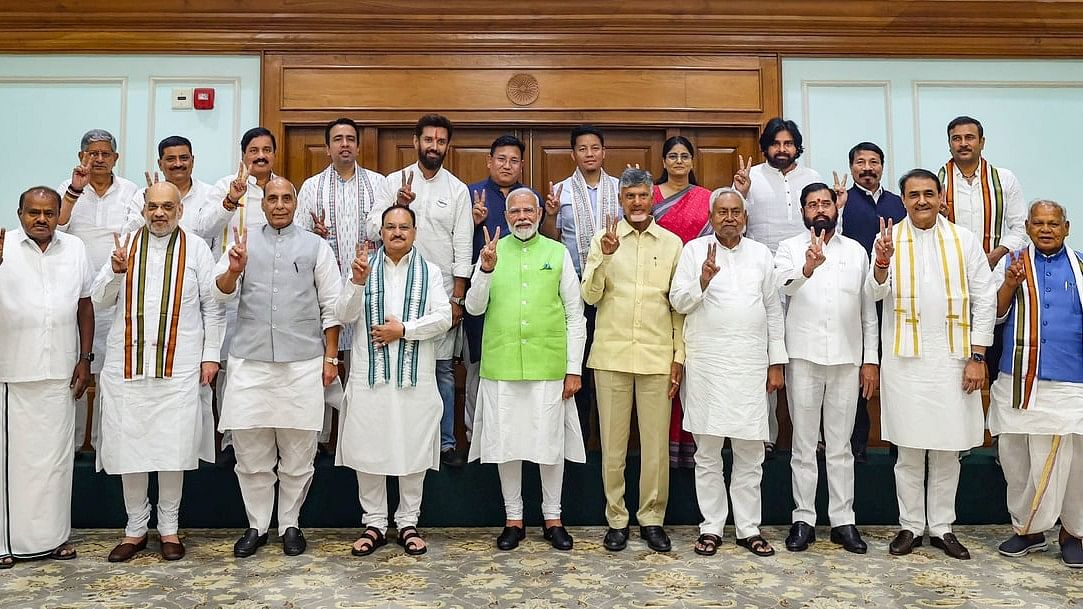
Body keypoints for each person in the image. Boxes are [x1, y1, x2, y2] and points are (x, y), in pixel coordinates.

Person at [867, 168, 996, 560]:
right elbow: (873, 292)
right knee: (908, 449)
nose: (921, 200)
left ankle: (941, 527)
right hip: (904, 360)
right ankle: (909, 526)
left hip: (953, 359)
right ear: (903, 200)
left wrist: (977, 356)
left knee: (946, 448)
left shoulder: (964, 239)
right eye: (913, 195)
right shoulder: (888, 238)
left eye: (928, 193)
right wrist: (882, 263)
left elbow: (985, 297)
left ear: (941, 197)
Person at [92, 182, 223, 562]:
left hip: (178, 367)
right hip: (128, 368)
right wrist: (116, 273)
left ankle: (169, 528)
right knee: (128, 448)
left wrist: (210, 355)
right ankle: (134, 529)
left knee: (171, 448)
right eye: (153, 207)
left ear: (180, 210)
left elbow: (213, 307)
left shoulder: (196, 248)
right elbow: (99, 299)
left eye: (168, 206)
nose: (160, 213)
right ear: (144, 209)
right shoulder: (125, 245)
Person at [213, 177, 342, 558]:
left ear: (296, 202)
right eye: (273, 198)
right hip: (250, 362)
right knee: (251, 454)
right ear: (263, 204)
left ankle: (290, 524)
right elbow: (220, 291)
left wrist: (331, 357)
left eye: (287, 198)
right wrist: (235, 269)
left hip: (302, 362)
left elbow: (332, 305)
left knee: (299, 453)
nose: (280, 204)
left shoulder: (316, 246)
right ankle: (256, 525)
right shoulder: (243, 241)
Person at [465, 188, 587, 552]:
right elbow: (473, 308)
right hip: (501, 366)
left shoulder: (557, 252)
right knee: (507, 444)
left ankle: (553, 518)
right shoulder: (491, 253)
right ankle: (513, 519)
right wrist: (485, 270)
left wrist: (573, 368)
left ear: (538, 214)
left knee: (549, 444)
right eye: (515, 210)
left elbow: (574, 316)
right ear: (506, 216)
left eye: (527, 210)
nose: (521, 216)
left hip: (548, 366)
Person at [670, 187, 786, 558]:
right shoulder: (693, 251)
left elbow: (773, 310)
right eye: (722, 212)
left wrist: (775, 362)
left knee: (750, 452)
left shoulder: (760, 254)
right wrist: (702, 280)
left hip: (750, 365)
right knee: (708, 452)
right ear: (711, 216)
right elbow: (678, 301)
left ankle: (749, 527)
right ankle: (712, 527)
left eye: (736, 211)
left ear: (745, 216)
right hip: (706, 365)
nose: (730, 217)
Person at [335, 206, 452, 557]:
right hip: (370, 379)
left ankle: (407, 522)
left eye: (404, 227)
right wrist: (356, 284)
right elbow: (342, 315)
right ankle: (373, 523)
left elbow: (443, 318)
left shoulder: (429, 272)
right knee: (369, 448)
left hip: (414, 380)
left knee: (412, 448)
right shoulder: (363, 268)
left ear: (415, 232)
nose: (397, 232)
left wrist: (404, 331)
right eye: (390, 227)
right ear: (381, 232)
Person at [581, 167, 683, 553]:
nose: (637, 203)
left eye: (643, 196)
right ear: (620, 201)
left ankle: (652, 518)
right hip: (611, 356)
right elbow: (589, 297)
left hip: (658, 357)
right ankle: (617, 518)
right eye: (630, 197)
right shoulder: (603, 240)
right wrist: (604, 258)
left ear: (652, 198)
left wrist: (679, 356)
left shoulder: (673, 244)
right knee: (614, 445)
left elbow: (678, 308)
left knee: (656, 446)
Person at [774, 182, 877, 554]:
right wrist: (807, 267)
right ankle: (803, 518)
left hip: (848, 360)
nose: (820, 209)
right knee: (803, 446)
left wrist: (871, 361)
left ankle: (843, 521)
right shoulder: (788, 247)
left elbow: (869, 309)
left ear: (837, 207)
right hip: (803, 358)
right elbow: (784, 287)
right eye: (812, 204)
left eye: (825, 203)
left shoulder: (856, 251)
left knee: (840, 446)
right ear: (803, 211)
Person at [369, 114, 472, 468]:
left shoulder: (457, 189)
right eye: (428, 140)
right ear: (415, 142)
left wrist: (457, 297)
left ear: (447, 146)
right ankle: (398, 439)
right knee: (395, 366)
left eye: (441, 141)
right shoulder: (393, 182)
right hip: (393, 290)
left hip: (439, 295)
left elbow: (463, 243)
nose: (434, 146)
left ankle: (443, 443)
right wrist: (397, 203)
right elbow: (372, 228)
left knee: (441, 370)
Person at [0, 187, 93, 569]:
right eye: (33, 212)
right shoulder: (4, 247)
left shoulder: (74, 249)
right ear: (20, 213)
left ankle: (53, 539)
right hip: (13, 372)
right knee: (12, 464)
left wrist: (85, 358)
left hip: (61, 371)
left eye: (49, 213)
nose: (41, 219)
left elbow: (84, 304)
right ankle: (5, 543)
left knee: (56, 461)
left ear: (59, 215)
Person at [988, 200, 1083, 568]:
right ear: (1027, 226)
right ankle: (1027, 529)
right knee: (1016, 457)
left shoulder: (1080, 266)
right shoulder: (1009, 265)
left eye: (1053, 224)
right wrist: (1010, 284)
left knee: (1073, 464)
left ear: (1066, 227)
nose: (1046, 229)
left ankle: (1073, 532)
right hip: (1016, 380)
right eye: (1039, 223)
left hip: (1070, 383)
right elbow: (993, 315)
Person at [732, 118, 825, 456]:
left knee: (804, 357)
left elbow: (826, 226)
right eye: (775, 144)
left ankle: (810, 436)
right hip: (762, 278)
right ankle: (765, 434)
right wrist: (740, 194)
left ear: (796, 146)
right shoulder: (750, 177)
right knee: (766, 355)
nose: (782, 150)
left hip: (806, 278)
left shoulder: (813, 178)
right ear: (766, 148)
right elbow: (735, 225)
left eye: (788, 144)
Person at [297, 117, 387, 447]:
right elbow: (297, 237)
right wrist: (314, 234)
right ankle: (321, 438)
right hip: (324, 290)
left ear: (359, 146)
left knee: (362, 361)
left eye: (350, 138)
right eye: (338, 139)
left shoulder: (379, 185)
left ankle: (360, 435)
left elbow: (383, 230)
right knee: (326, 362)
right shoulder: (311, 187)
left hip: (369, 290)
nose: (345, 144)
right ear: (327, 147)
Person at [57, 129, 142, 450]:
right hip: (75, 295)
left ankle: (104, 445)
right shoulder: (68, 189)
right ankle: (74, 443)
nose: (99, 159)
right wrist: (74, 192)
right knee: (76, 371)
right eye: (92, 153)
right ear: (82, 157)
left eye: (105, 153)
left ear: (116, 158)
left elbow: (135, 233)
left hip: (116, 294)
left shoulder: (131, 190)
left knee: (110, 374)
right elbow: (58, 227)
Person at [539, 124, 621, 441]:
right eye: (583, 148)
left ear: (604, 152)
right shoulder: (561, 192)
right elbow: (551, 239)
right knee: (579, 367)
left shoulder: (620, 189)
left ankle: (607, 443)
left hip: (614, 288)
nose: (589, 154)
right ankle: (580, 444)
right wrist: (550, 214)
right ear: (574, 154)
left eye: (595, 148)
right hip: (575, 288)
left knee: (609, 368)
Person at [463, 134, 542, 443]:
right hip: (481, 293)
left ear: (522, 165)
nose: (507, 165)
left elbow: (547, 241)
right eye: (501, 159)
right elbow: (455, 241)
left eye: (514, 160)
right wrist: (472, 220)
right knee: (478, 366)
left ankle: (516, 437)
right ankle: (475, 435)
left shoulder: (529, 199)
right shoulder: (471, 194)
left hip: (523, 299)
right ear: (489, 161)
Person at [840, 141, 907, 463]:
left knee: (894, 374)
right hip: (853, 302)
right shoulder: (842, 203)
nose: (867, 168)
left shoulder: (899, 204)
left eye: (874, 162)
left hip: (893, 302)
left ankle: (900, 443)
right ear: (851, 167)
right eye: (860, 162)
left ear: (883, 166)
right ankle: (857, 445)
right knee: (857, 376)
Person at [651, 135, 712, 469]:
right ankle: (665, 455)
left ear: (692, 161)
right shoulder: (652, 197)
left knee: (694, 370)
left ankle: (695, 452)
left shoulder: (705, 198)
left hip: (699, 290)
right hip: (659, 292)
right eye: (672, 156)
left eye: (684, 156)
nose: (678, 162)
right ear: (663, 162)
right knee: (666, 372)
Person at [937, 116, 1025, 269]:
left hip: (995, 269)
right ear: (949, 144)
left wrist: (996, 255)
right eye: (957, 138)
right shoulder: (936, 184)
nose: (963, 144)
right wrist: (938, 218)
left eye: (969, 138)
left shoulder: (1005, 179)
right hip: (948, 269)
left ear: (982, 142)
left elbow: (1021, 227)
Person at [136, 135, 214, 235]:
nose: (178, 164)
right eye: (171, 159)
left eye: (184, 158)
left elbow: (217, 238)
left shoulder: (210, 194)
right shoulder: (142, 196)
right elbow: (128, 234)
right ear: (160, 164)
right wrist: (149, 208)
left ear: (192, 161)